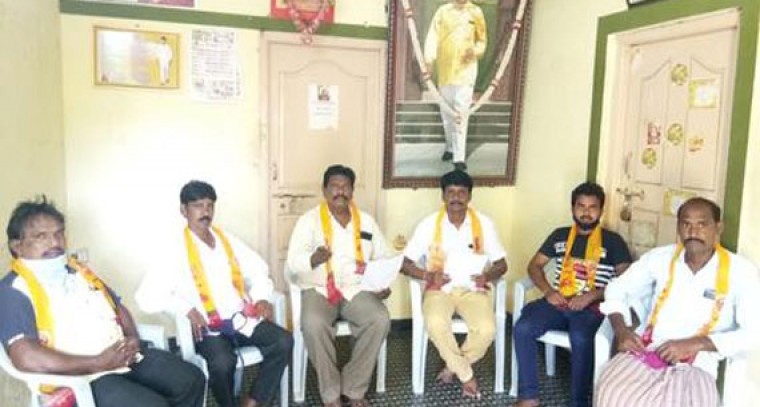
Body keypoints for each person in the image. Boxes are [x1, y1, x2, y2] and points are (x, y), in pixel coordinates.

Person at [0, 197, 205, 407]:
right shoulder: (13, 290)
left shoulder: (78, 271)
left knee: (191, 380)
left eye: (59, 233)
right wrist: (97, 362)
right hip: (82, 376)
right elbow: (26, 357)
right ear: (17, 246)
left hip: (122, 357)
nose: (54, 243)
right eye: (41, 236)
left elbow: (118, 308)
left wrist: (133, 338)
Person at [136, 181, 292, 407]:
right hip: (208, 328)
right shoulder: (173, 249)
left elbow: (259, 270)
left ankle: (254, 401)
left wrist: (261, 297)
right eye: (198, 206)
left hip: (241, 319)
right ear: (183, 210)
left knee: (283, 341)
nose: (205, 212)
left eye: (210, 205)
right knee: (222, 362)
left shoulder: (226, 239)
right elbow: (146, 296)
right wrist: (186, 309)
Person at [594, 197, 760, 407]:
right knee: (613, 393)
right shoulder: (660, 258)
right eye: (686, 224)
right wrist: (621, 330)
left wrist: (694, 344)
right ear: (678, 227)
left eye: (702, 224)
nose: (693, 232)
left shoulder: (741, 271)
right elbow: (616, 288)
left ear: (718, 228)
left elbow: (753, 332)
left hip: (698, 363)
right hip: (648, 350)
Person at [512, 182, 632, 407]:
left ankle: (579, 402)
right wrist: (548, 291)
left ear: (601, 210)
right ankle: (528, 397)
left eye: (592, 207)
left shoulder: (613, 241)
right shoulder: (560, 235)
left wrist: (591, 296)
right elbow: (534, 266)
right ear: (572, 208)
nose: (586, 212)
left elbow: (627, 280)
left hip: (592, 307)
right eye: (581, 206)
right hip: (559, 301)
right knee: (523, 328)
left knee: (580, 336)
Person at [286, 165, 392, 407]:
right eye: (334, 186)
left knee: (379, 318)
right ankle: (331, 393)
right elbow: (293, 262)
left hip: (356, 288)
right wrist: (314, 259)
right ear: (325, 190)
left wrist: (381, 283)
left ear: (352, 191)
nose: (340, 192)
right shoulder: (309, 221)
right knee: (313, 323)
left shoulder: (366, 221)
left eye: (346, 187)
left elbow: (383, 258)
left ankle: (354, 387)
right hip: (319, 287)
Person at [401, 169, 507, 400]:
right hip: (439, 290)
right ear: (443, 196)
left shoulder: (484, 224)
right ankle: (467, 376)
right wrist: (428, 276)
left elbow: (502, 265)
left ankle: (452, 367)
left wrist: (487, 276)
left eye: (462, 192)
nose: (456, 197)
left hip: (473, 290)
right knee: (435, 322)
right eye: (451, 192)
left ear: (469, 196)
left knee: (487, 329)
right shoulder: (428, 224)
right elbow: (404, 264)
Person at [424, 0, 487, 171]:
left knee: (460, 115)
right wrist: (429, 61)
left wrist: (474, 51)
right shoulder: (442, 11)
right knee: (446, 115)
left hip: (466, 73)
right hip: (445, 72)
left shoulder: (476, 12)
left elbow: (482, 41)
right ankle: (450, 148)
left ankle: (459, 157)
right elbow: (432, 37)